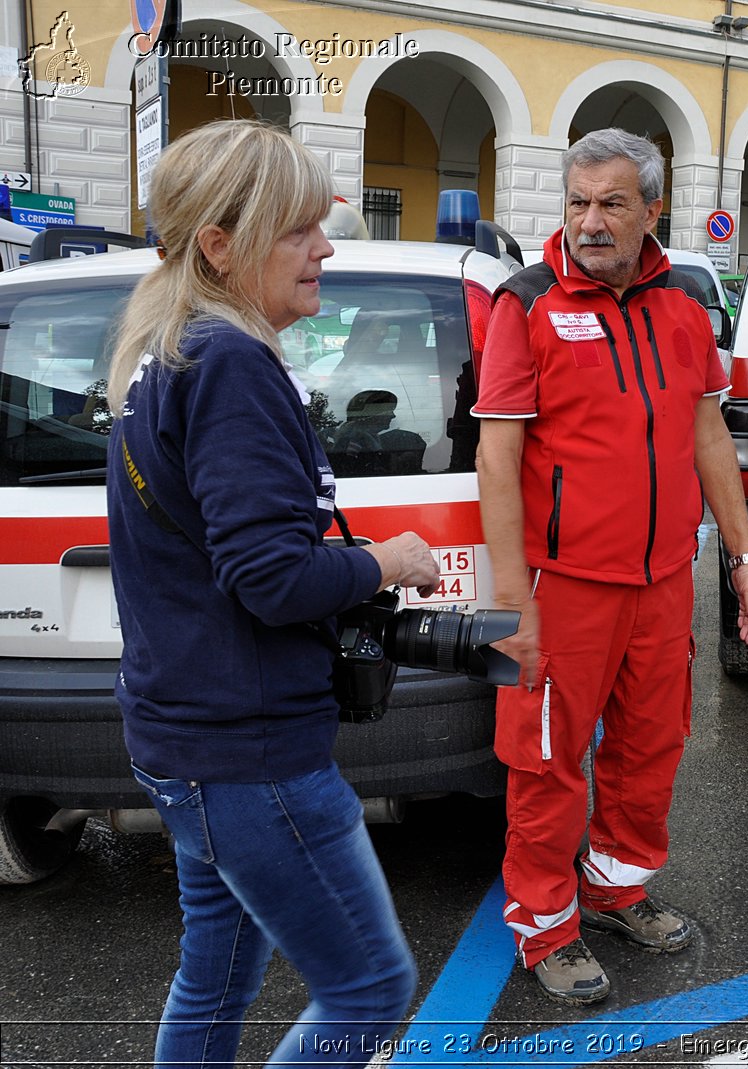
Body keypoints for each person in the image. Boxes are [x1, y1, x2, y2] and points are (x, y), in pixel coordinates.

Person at [105, 120, 440, 1068]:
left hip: (189, 737)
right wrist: (388, 560)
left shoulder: (166, 354)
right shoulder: (230, 364)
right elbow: (271, 578)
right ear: (220, 245)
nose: (325, 248)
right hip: (249, 751)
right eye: (299, 230)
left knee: (213, 974)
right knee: (370, 987)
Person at [474, 127, 748, 1006]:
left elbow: (707, 433)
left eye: (610, 202)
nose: (590, 221)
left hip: (663, 581)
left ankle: (615, 889)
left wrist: (744, 554)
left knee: (652, 744)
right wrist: (507, 602)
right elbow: (498, 459)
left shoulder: (683, 301)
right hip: (559, 586)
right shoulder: (524, 302)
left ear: (652, 209)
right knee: (546, 760)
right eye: (577, 202)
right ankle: (545, 927)